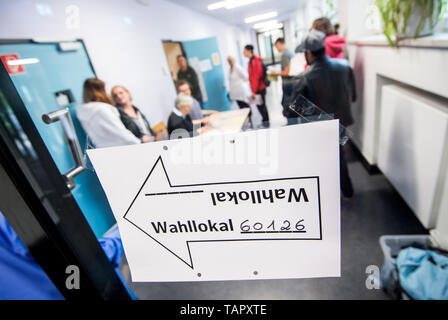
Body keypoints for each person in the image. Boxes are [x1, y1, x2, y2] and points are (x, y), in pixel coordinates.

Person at [291, 30, 356, 199]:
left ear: (309, 53)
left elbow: (291, 110)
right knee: (339, 154)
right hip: (342, 121)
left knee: (322, 160)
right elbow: (353, 96)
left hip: (320, 127)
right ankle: (347, 190)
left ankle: (326, 198)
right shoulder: (345, 66)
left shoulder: (303, 78)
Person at [76, 78, 141, 148]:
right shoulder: (102, 109)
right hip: (122, 148)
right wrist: (139, 143)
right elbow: (120, 132)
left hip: (103, 150)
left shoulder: (83, 111)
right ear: (101, 90)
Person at [243, 44, 270, 128]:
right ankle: (265, 121)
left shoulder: (255, 61)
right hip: (256, 88)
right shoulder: (250, 61)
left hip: (260, 88)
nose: (243, 53)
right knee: (260, 106)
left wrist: (254, 91)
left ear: (249, 51)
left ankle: (266, 123)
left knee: (262, 106)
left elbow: (256, 77)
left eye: (244, 51)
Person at [270, 38, 295, 124]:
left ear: (280, 44)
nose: (276, 48)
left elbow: (287, 72)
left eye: (276, 46)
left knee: (287, 106)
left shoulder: (285, 55)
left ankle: (291, 124)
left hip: (288, 84)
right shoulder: (290, 52)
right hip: (293, 82)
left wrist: (275, 74)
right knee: (292, 104)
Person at [226, 56, 253, 127]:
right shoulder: (230, 69)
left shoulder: (238, 68)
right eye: (228, 61)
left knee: (246, 105)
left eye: (230, 61)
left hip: (241, 90)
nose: (229, 62)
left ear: (234, 60)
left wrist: (242, 84)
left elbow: (246, 77)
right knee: (241, 107)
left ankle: (250, 119)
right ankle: (245, 119)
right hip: (235, 92)